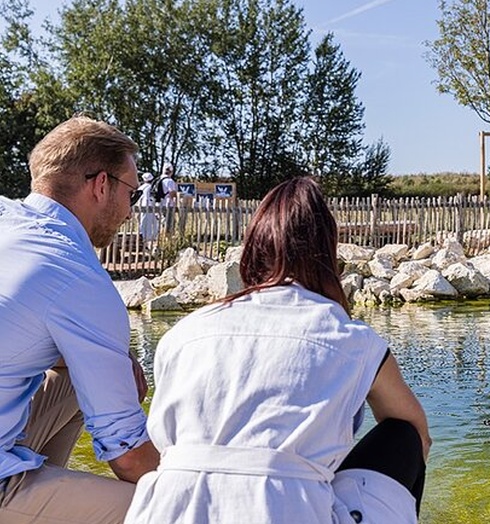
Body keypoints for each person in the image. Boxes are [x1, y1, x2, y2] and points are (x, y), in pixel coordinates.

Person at [125, 176, 431, 523]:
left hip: (169, 511)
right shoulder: (351, 337)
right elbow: (415, 429)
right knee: (402, 433)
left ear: (253, 249)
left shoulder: (183, 332)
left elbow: (162, 444)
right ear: (328, 254)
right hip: (280, 510)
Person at [0, 116, 160, 523]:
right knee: (176, 511)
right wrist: (205, 490)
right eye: (133, 192)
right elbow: (125, 453)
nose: (130, 209)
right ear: (100, 185)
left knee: (75, 377)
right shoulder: (76, 275)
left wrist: (113, 362)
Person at [136, 172, 159, 245]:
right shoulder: (152, 187)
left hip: (143, 207)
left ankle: (144, 239)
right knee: (153, 225)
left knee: (144, 224)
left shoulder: (141, 188)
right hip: (151, 208)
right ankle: (150, 240)